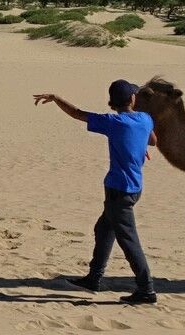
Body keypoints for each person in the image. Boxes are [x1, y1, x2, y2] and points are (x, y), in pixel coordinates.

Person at [33, 80, 158, 305]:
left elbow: (78, 114)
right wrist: (137, 145)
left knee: (129, 241)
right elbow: (153, 141)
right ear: (132, 99)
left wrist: (56, 98)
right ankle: (94, 278)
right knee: (103, 229)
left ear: (113, 102)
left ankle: (146, 289)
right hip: (132, 188)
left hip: (119, 191)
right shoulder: (145, 119)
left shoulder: (113, 122)